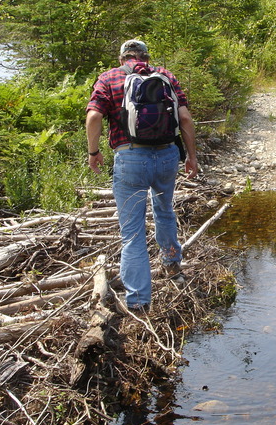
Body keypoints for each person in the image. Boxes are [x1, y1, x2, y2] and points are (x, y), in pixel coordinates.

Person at [85, 39, 199, 311]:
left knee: (133, 234)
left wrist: (93, 152)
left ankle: (139, 302)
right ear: (147, 57)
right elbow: (184, 118)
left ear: (122, 57)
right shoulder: (166, 76)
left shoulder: (109, 77)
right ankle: (172, 264)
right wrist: (192, 156)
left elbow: (93, 117)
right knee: (164, 211)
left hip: (131, 158)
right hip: (166, 156)